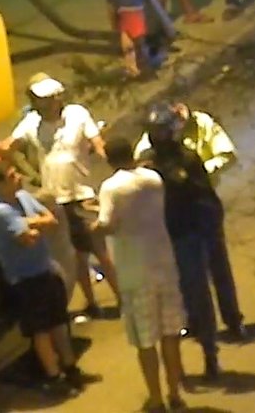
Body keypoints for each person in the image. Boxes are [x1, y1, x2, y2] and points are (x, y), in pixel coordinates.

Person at [0, 75, 120, 318]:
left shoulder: (77, 114)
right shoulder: (31, 122)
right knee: (76, 256)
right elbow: (9, 146)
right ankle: (91, 302)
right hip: (54, 198)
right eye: (38, 99)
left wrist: (116, 161)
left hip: (81, 193)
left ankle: (122, 299)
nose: (43, 104)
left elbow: (97, 142)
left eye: (47, 99)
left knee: (100, 251)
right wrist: (15, 162)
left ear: (58, 97)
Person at [140, 104, 247, 381]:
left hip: (195, 229)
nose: (159, 137)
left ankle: (217, 342)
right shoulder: (148, 162)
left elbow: (203, 194)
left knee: (208, 282)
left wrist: (176, 181)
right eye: (155, 132)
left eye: (162, 131)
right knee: (185, 292)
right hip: (169, 234)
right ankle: (196, 340)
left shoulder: (187, 159)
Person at [94, 136, 188, 412]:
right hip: (164, 263)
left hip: (135, 271)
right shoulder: (153, 179)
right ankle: (175, 394)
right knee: (171, 334)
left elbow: (107, 224)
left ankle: (156, 399)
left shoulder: (111, 187)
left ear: (108, 159)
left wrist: (93, 229)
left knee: (146, 341)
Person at [0, 160, 87, 397]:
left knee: (59, 321)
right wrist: (37, 225)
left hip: (44, 269)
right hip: (25, 278)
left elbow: (50, 219)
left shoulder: (22, 198)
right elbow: (25, 239)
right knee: (40, 329)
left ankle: (70, 368)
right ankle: (53, 376)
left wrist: (33, 224)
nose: (19, 177)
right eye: (12, 175)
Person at [134, 102, 237, 175]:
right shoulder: (144, 151)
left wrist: (201, 170)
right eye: (159, 131)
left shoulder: (200, 123)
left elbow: (228, 155)